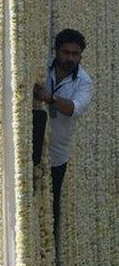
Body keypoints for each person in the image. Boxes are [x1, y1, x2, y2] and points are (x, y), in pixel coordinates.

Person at [33, 28, 93, 241]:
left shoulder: (84, 82)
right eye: (65, 52)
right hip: (32, 145)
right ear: (57, 51)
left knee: (51, 202)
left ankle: (48, 245)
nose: (69, 58)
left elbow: (74, 108)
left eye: (75, 54)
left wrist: (50, 99)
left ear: (80, 56)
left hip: (58, 153)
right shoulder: (42, 66)